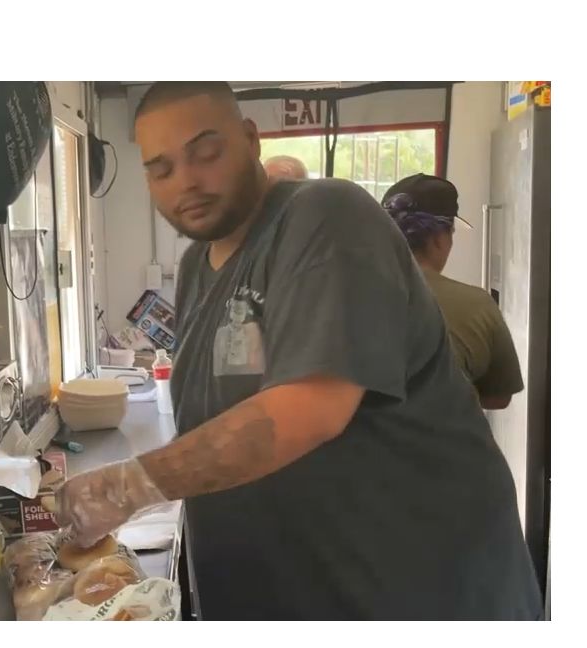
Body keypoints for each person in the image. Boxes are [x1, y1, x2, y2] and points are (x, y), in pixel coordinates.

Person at [55, 82, 540, 620]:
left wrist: (129, 486)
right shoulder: (196, 268)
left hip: (410, 592)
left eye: (206, 152)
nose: (186, 180)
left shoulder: (327, 215)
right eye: (161, 168)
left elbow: (308, 410)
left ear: (250, 139)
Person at [382, 175, 524, 410]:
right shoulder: (477, 304)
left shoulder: (346, 297)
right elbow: (499, 397)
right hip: (443, 433)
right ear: (439, 239)